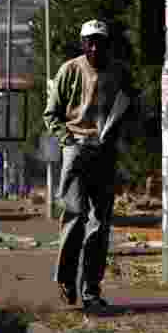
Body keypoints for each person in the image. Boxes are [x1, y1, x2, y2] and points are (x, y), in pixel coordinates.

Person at [44, 19, 137, 313]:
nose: (95, 46)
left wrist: (118, 128)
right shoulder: (69, 71)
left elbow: (131, 105)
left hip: (105, 153)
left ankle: (91, 290)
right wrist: (67, 139)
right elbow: (52, 114)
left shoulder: (119, 73)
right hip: (76, 150)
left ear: (107, 44)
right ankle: (66, 280)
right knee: (75, 217)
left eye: (100, 41)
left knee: (100, 225)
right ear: (83, 44)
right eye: (90, 41)